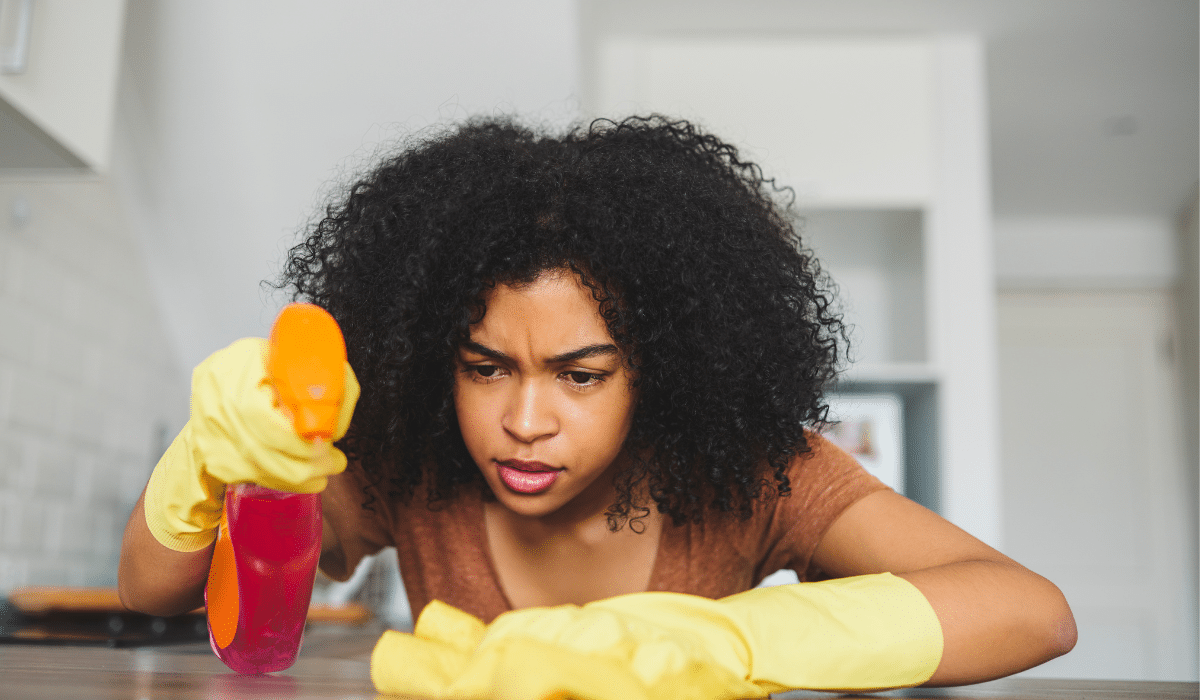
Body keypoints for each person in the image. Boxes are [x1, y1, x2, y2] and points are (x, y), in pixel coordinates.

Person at [118, 115, 1075, 694]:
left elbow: (1031, 612)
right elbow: (151, 593)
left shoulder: (749, 472)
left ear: (658, 367)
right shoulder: (408, 460)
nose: (524, 420)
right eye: (485, 366)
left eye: (581, 375)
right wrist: (214, 462)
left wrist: (721, 642)